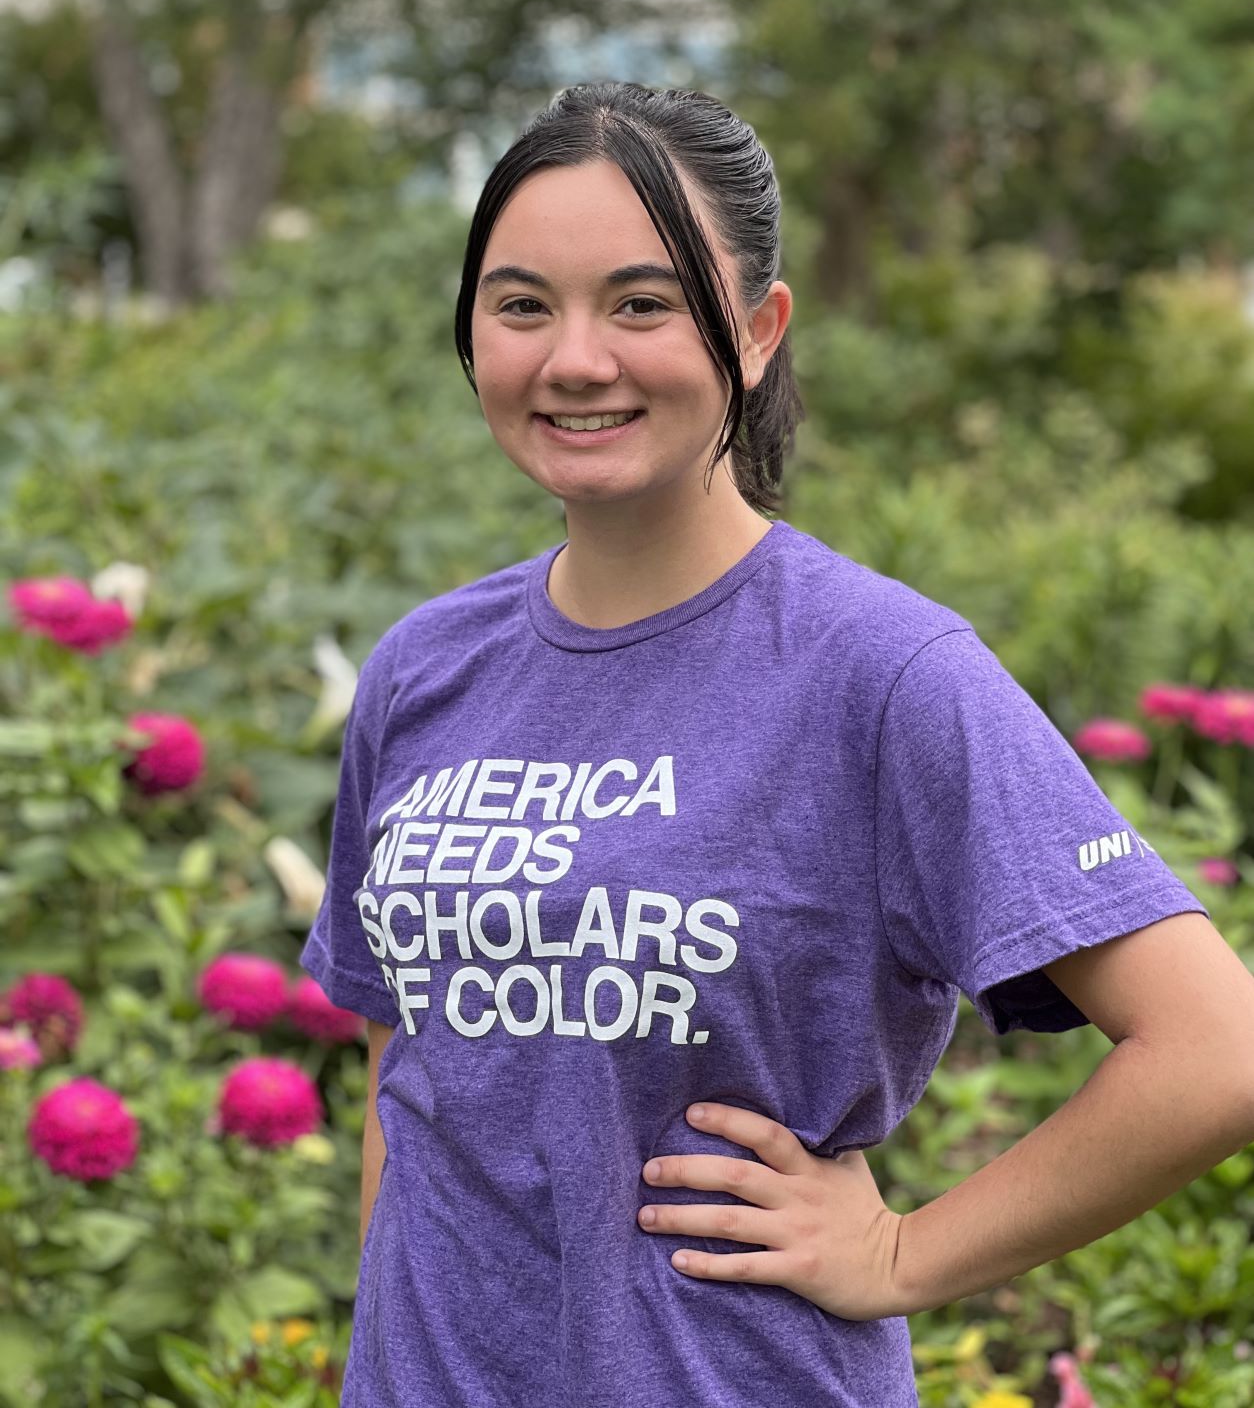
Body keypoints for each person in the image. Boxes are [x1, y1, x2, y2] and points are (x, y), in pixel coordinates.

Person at [300, 81, 1254, 1407]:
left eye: (641, 303)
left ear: (754, 332)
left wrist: (902, 1252)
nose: (575, 357)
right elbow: (410, 1055)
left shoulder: (881, 674)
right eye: (522, 305)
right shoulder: (423, 670)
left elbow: (1214, 1052)